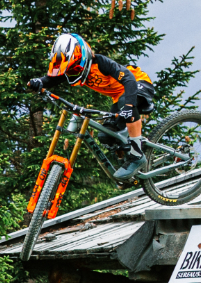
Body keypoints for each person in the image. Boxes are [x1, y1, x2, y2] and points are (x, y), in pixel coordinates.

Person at [27, 31, 155, 180]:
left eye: (74, 69)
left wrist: (128, 105)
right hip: (119, 95)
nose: (72, 74)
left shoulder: (100, 63)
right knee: (106, 135)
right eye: (70, 70)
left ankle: (137, 156)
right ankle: (127, 153)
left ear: (84, 59)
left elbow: (128, 79)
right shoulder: (78, 69)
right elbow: (53, 78)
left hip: (137, 83)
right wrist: (40, 82)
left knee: (125, 104)